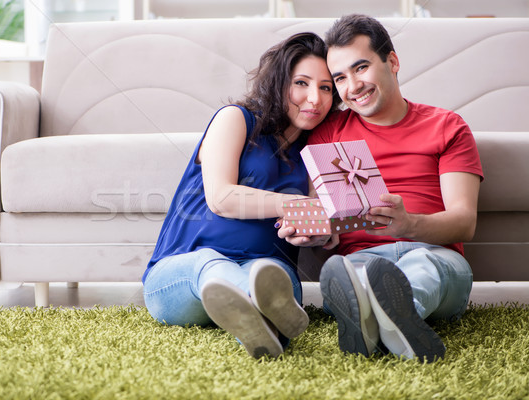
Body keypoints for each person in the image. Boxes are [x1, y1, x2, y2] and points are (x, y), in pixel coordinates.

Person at [279, 15, 483, 362]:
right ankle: (389, 325)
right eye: (340, 78)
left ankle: (382, 315)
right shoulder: (330, 133)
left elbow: (464, 221)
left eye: (361, 68)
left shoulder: (447, 126)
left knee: (422, 266)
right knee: (353, 272)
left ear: (392, 61)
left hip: (437, 256)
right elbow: (331, 219)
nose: (352, 86)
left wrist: (409, 225)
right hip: (361, 258)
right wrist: (316, 233)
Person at [142, 32, 338, 359]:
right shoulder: (235, 119)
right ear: (278, 83)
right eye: (301, 83)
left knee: (273, 275)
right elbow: (222, 197)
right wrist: (300, 204)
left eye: (326, 87)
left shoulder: (317, 151)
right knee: (210, 263)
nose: (315, 98)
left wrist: (318, 236)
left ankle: (261, 322)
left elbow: (317, 222)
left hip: (267, 271)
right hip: (182, 277)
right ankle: (256, 302)